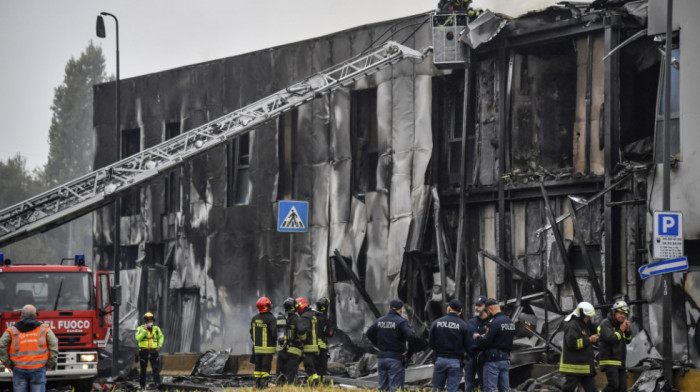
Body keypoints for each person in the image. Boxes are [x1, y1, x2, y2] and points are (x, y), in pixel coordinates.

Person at [0, 304, 58, 392]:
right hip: (39, 369)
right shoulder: (44, 329)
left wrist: (7, 363)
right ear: (35, 316)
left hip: (19, 369)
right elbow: (54, 345)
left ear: (21, 315)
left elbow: (1, 345)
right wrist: (50, 363)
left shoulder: (12, 330)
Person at [366, 299, 415, 392]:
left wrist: (377, 344)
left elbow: (369, 333)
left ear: (389, 308)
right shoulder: (401, 322)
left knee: (382, 389)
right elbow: (411, 336)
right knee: (395, 389)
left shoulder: (380, 320)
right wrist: (409, 353)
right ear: (400, 310)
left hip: (381, 359)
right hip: (395, 359)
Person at [472, 299, 515, 392]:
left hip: (493, 360)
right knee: (505, 389)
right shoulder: (509, 321)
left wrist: (477, 337)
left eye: (487, 311)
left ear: (490, 309)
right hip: (505, 359)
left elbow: (485, 342)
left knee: (489, 388)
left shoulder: (495, 322)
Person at [429, 299, 471, 392]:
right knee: (452, 389)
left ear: (448, 309)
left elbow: (431, 343)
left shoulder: (437, 323)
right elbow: (469, 346)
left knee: (437, 389)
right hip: (455, 362)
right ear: (460, 312)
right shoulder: (463, 326)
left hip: (440, 360)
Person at [559, 301, 599, 392]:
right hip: (574, 367)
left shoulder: (582, 325)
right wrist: (589, 340)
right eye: (587, 316)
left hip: (584, 367)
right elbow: (572, 343)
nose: (589, 318)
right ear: (581, 314)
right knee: (568, 389)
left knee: (592, 389)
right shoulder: (572, 325)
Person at [598, 300, 633, 392]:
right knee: (614, 385)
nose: (623, 316)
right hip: (609, 360)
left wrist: (627, 330)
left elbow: (628, 340)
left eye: (625, 314)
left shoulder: (621, 325)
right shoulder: (605, 323)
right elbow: (610, 339)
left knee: (622, 388)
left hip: (620, 361)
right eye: (621, 313)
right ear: (614, 312)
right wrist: (621, 330)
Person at [276, 297, 306, 385]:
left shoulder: (280, 318)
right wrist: (302, 340)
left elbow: (275, 333)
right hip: (293, 352)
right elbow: (302, 331)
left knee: (280, 376)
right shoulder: (296, 318)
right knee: (291, 377)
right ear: (293, 307)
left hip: (281, 351)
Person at [250, 297, 276, 389]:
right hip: (267, 350)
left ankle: (257, 386)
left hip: (257, 350)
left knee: (258, 368)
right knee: (265, 367)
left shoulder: (254, 318)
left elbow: (252, 334)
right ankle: (264, 387)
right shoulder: (271, 318)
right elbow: (274, 333)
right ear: (267, 306)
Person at [465, 295, 489, 392]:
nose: (476, 308)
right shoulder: (471, 322)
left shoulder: (491, 322)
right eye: (476, 305)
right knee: (469, 384)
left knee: (484, 385)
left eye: (479, 306)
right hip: (471, 358)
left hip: (484, 358)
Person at [297, 297, 323, 386]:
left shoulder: (304, 317)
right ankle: (313, 383)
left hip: (308, 346)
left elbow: (306, 331)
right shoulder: (312, 315)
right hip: (314, 346)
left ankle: (315, 383)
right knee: (310, 366)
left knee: (309, 367)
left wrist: (301, 341)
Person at [135, 312, 164, 390]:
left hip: (154, 351)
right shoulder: (140, 328)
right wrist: (144, 331)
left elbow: (161, 337)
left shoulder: (156, 329)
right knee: (143, 369)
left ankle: (157, 384)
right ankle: (142, 386)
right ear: (145, 321)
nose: (150, 322)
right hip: (143, 351)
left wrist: (159, 345)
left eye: (151, 320)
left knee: (155, 368)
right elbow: (137, 338)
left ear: (153, 320)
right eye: (148, 320)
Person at [313, 297, 333, 385]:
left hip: (314, 346)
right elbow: (328, 332)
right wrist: (330, 333)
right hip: (320, 347)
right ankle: (320, 385)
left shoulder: (313, 317)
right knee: (322, 368)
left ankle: (315, 385)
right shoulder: (323, 319)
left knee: (315, 367)